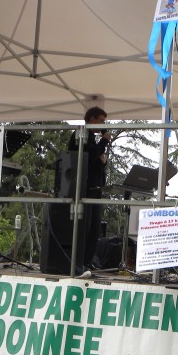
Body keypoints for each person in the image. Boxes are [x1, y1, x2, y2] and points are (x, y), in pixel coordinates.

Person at [67, 106, 111, 269]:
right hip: (84, 188)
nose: (103, 124)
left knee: (94, 228)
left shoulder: (92, 138)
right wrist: (104, 141)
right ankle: (78, 262)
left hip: (95, 188)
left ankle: (87, 260)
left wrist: (103, 161)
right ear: (91, 119)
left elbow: (95, 160)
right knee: (84, 227)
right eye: (101, 121)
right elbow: (89, 156)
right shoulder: (82, 134)